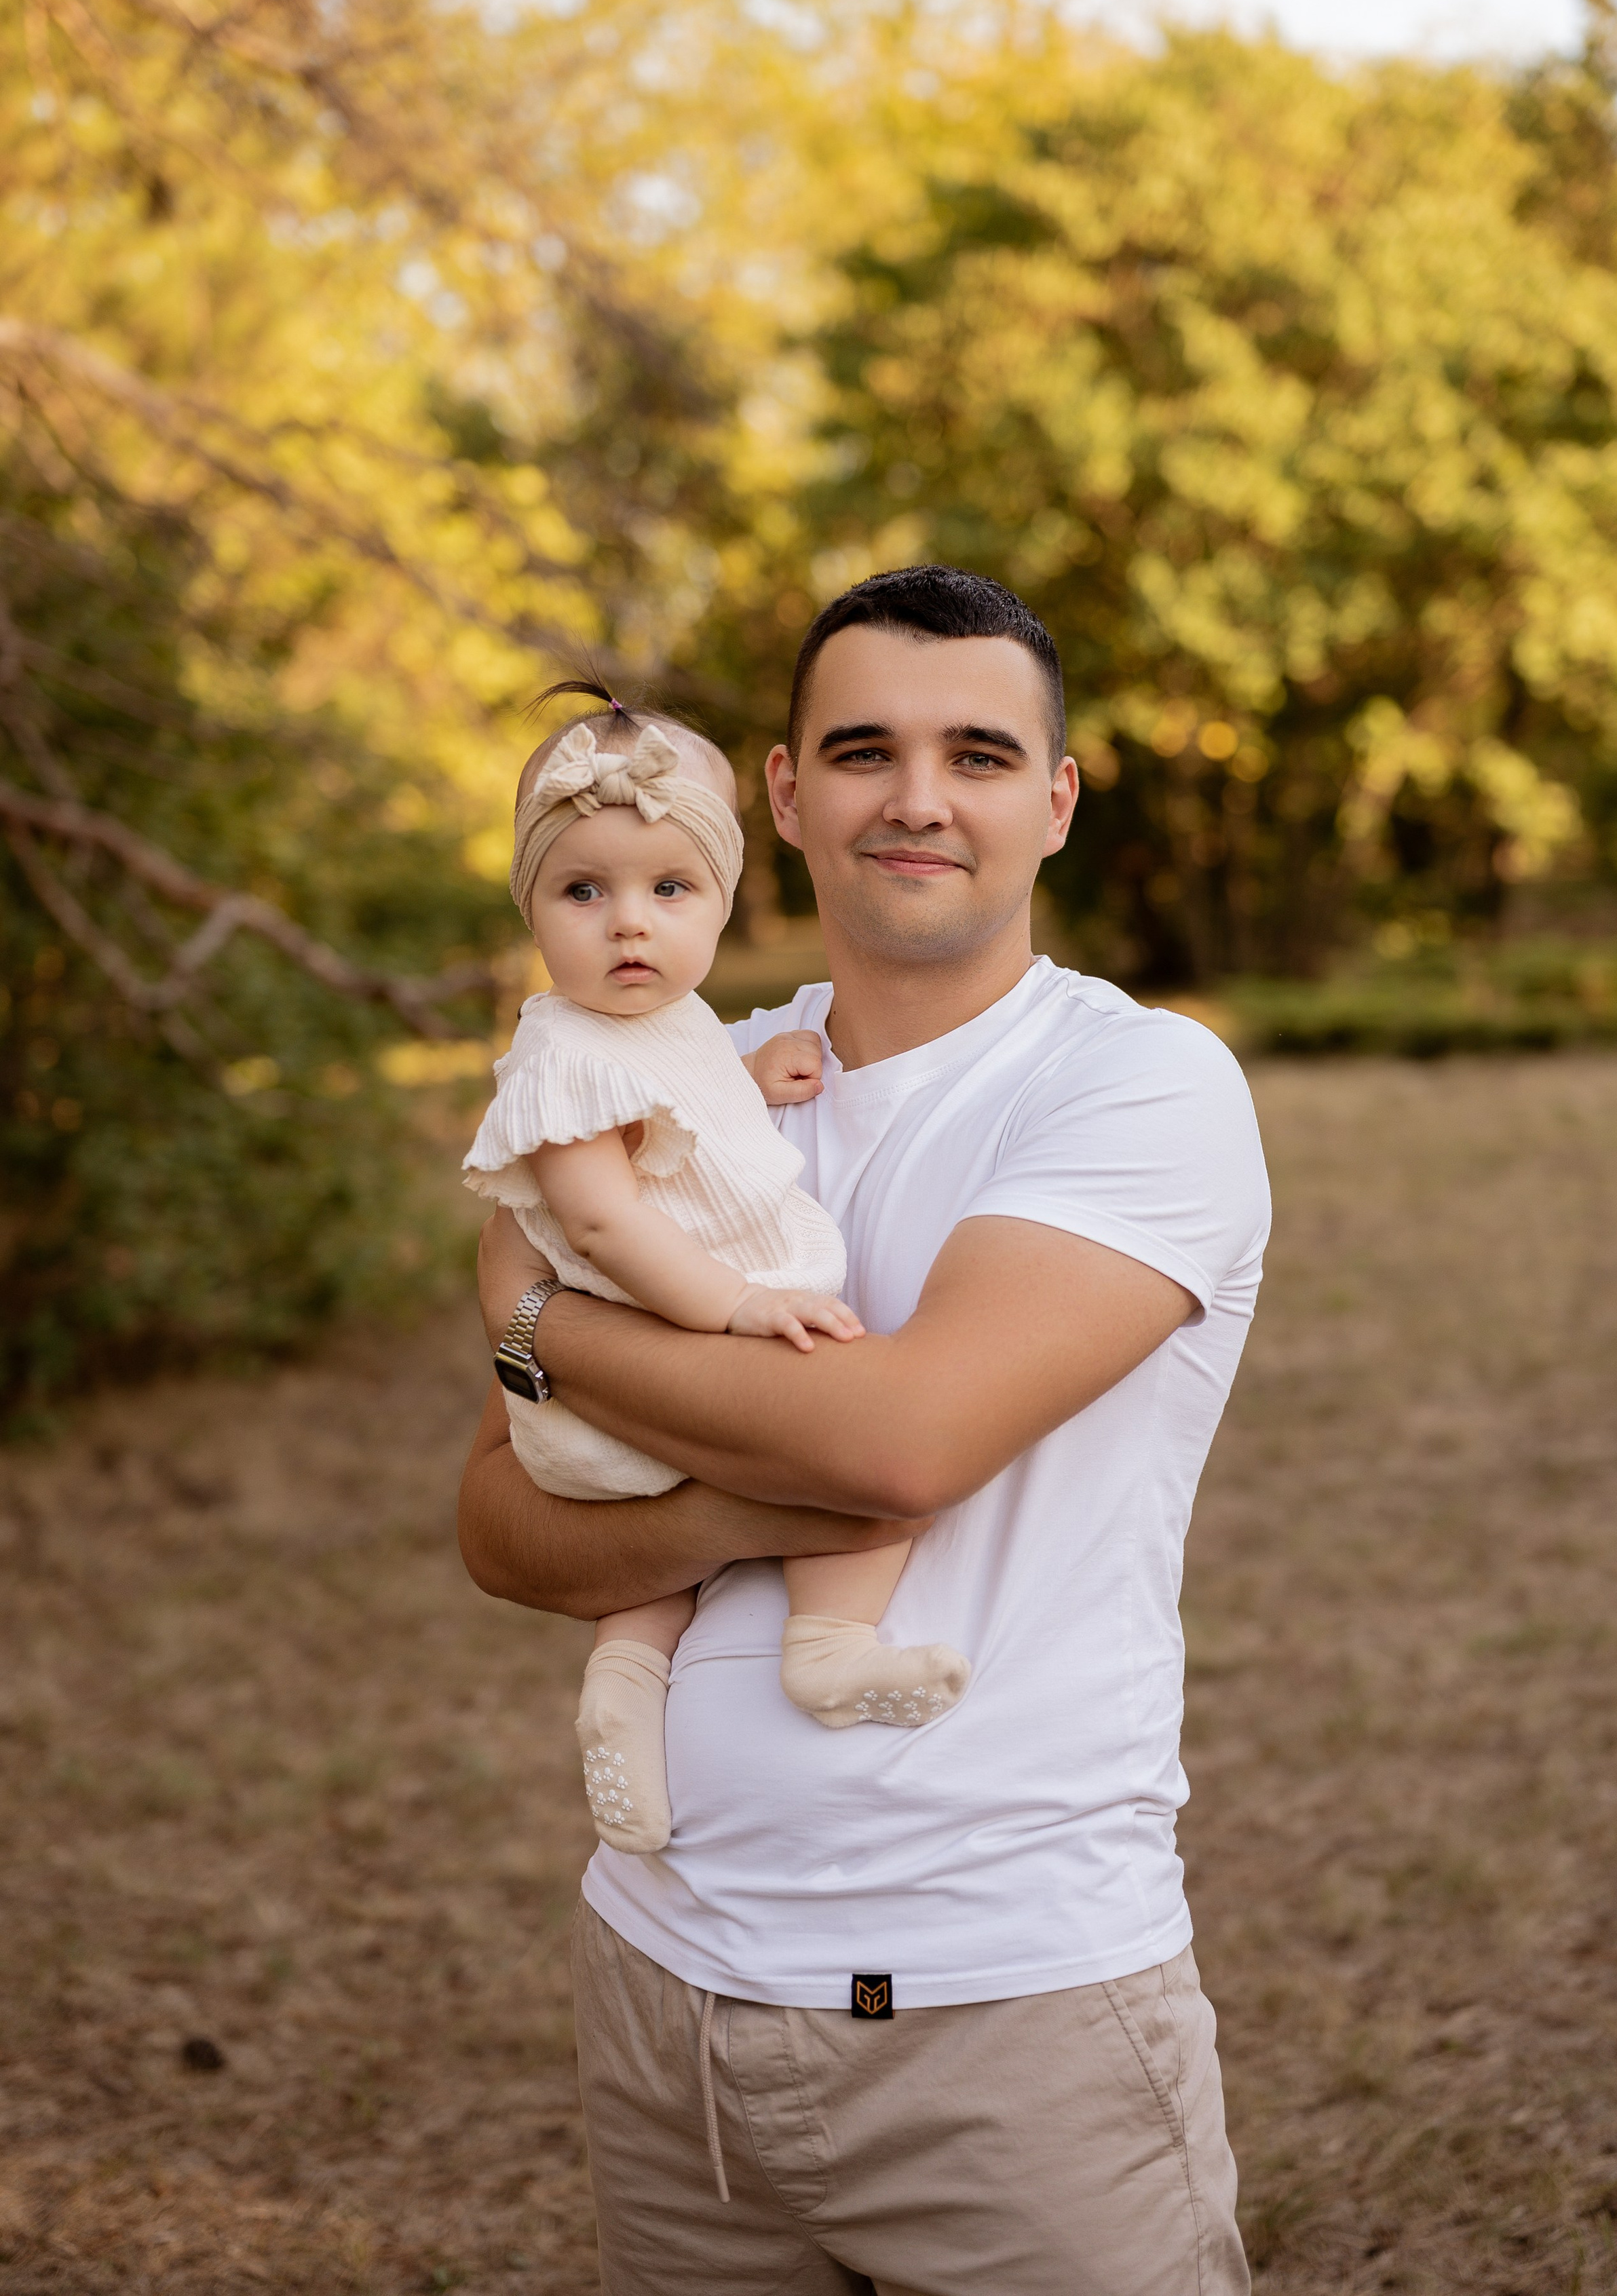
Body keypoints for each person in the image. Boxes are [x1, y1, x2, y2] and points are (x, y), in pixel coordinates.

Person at [459, 565, 1270, 2296]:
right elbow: (497, 1522)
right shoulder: (675, 1071)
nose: (916, 798)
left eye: (977, 754)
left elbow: (897, 1450)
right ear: (781, 793)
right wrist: (722, 1513)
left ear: (1055, 801)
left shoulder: (1138, 1084)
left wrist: (535, 1324)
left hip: (1007, 2013)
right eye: (861, 751)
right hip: (667, 2002)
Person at [461, 694, 970, 1855]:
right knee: (855, 1472)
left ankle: (626, 1690)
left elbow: (672, 1107)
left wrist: (747, 1075)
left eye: (668, 889)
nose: (628, 925)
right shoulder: (559, 1051)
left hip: (606, 1384)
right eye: (582, 892)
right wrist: (735, 1305)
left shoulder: (670, 1023)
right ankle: (827, 1647)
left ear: (724, 899)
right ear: (530, 905)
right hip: (651, 1366)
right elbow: (602, 1220)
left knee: (654, 1588)